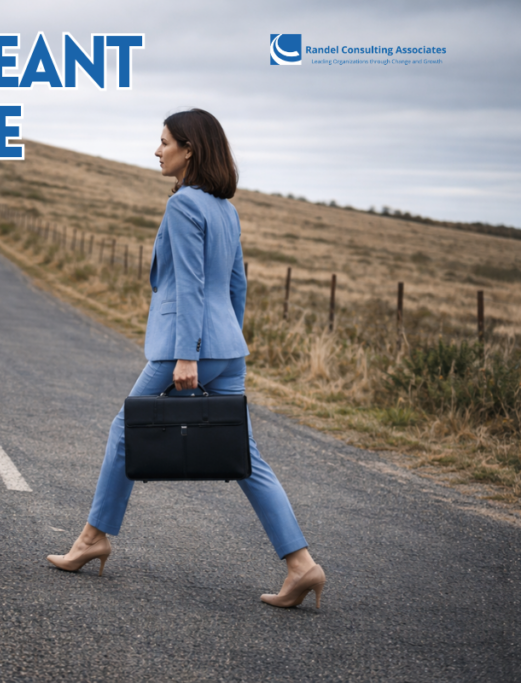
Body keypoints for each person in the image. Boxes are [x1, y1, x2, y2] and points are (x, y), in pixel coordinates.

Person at [47, 109, 325, 609]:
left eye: (164, 142)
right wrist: (224, 342)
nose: (157, 151)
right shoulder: (225, 209)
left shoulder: (183, 206)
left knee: (124, 429)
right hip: (227, 346)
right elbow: (237, 285)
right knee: (245, 456)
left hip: (186, 347)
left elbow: (191, 284)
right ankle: (302, 565)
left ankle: (92, 539)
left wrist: (187, 355)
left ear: (189, 149)